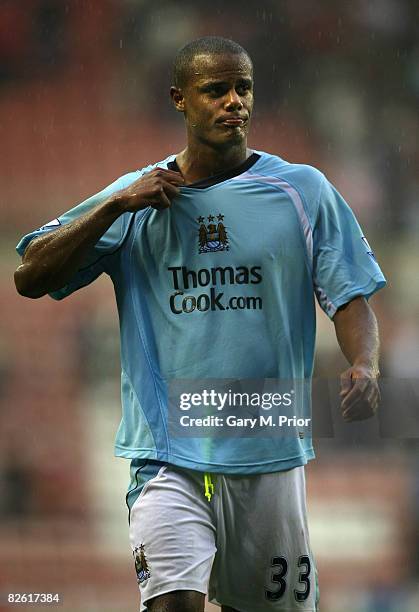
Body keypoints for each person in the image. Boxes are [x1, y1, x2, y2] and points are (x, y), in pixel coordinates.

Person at [14, 36, 386, 612]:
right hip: (168, 452)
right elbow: (30, 274)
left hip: (269, 445)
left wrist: (365, 362)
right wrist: (114, 206)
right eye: (216, 90)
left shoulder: (302, 191)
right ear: (179, 100)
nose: (233, 101)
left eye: (243, 89)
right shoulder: (138, 198)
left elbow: (351, 295)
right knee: (174, 604)